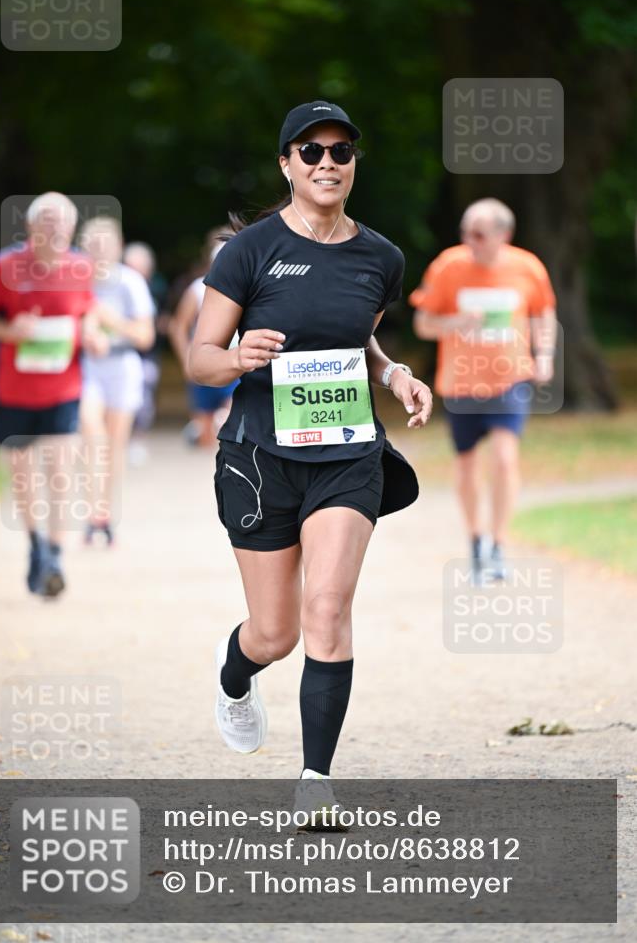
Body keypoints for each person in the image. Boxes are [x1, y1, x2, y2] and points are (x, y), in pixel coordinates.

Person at [188, 100, 432, 824]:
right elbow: (200, 360)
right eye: (311, 150)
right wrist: (236, 357)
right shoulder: (249, 251)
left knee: (327, 610)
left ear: (354, 164)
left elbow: (361, 344)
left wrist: (394, 376)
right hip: (261, 457)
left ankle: (315, 780)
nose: (327, 162)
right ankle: (235, 677)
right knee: (276, 632)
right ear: (286, 164)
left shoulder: (380, 257)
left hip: (347, 454)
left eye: (341, 151)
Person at [409, 198, 557, 582]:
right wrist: (456, 321)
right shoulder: (448, 266)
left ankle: (499, 544)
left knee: (506, 459)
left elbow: (544, 311)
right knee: (467, 464)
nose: (468, 241)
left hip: (509, 379)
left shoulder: (527, 267)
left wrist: (545, 356)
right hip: (461, 381)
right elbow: (423, 324)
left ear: (503, 235)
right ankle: (475, 541)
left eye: (477, 234)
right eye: (464, 232)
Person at [0, 192, 104, 597]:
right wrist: (12, 331)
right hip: (13, 391)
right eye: (47, 220)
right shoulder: (7, 266)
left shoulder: (80, 267)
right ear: (31, 226)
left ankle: (55, 554)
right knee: (24, 476)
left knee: (61, 471)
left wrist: (93, 333)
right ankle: (35, 546)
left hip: (63, 387)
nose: (57, 227)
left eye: (63, 220)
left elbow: (88, 311)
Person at [78, 217, 155, 545]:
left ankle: (103, 514)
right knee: (92, 437)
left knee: (113, 446)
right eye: (93, 246)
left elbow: (145, 337)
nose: (99, 252)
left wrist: (112, 325)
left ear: (118, 247)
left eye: (105, 245)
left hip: (122, 367)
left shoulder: (130, 283)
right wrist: (87, 333)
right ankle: (92, 509)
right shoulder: (76, 282)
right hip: (89, 368)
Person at [169, 234, 238, 447]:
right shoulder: (198, 289)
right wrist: (187, 362)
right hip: (205, 363)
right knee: (206, 435)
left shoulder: (248, 287)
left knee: (229, 417)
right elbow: (177, 327)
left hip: (235, 363)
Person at [123, 241, 169, 464]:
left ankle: (138, 438)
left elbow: (165, 316)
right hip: (121, 350)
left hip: (149, 352)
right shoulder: (118, 285)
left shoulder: (157, 287)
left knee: (144, 398)